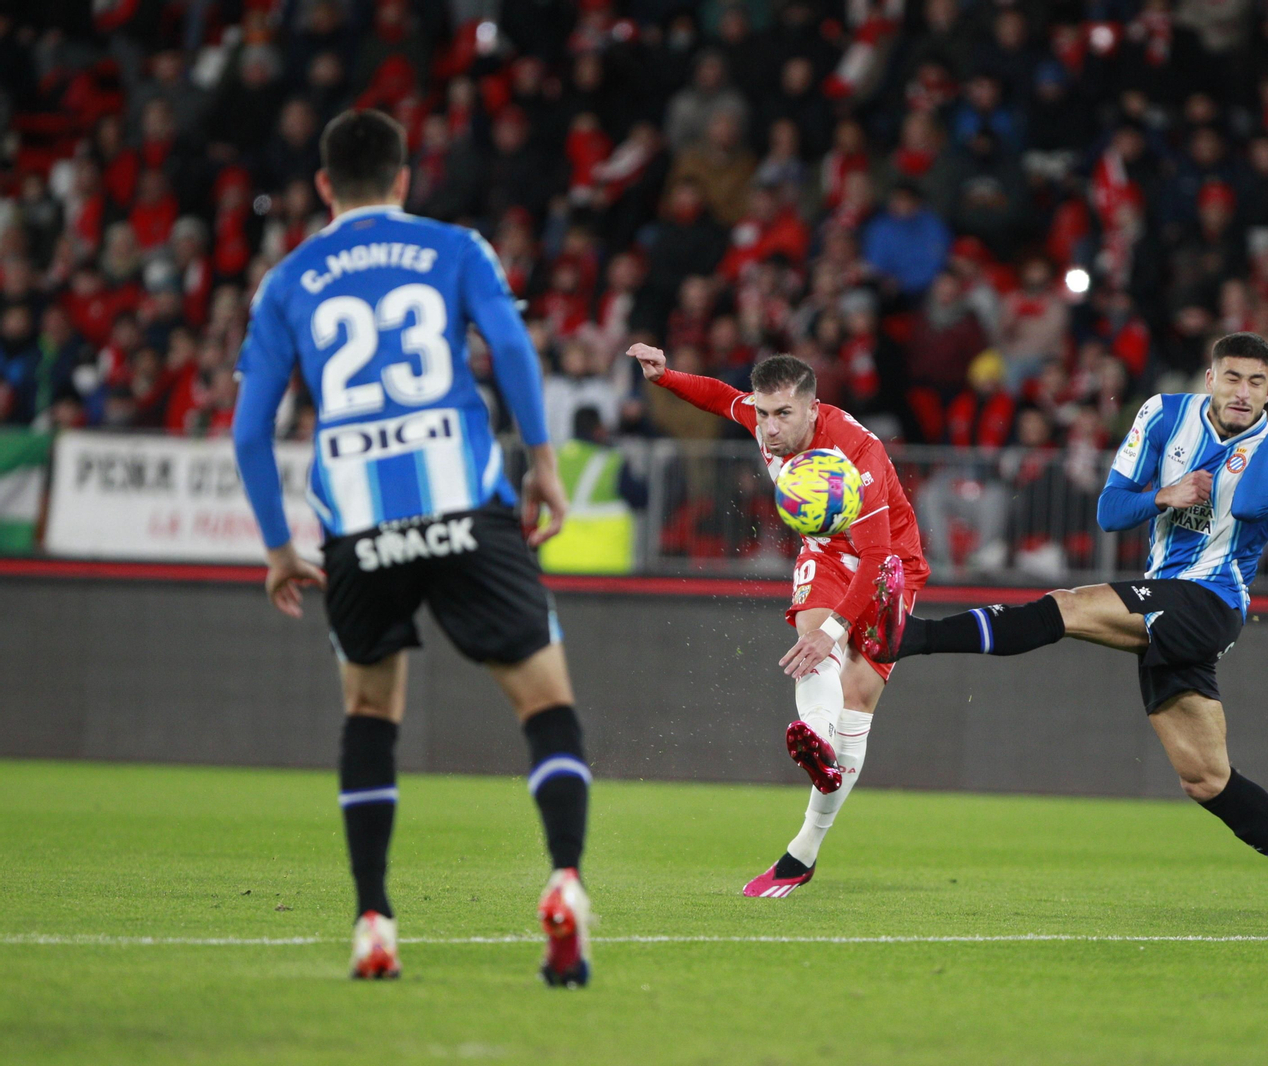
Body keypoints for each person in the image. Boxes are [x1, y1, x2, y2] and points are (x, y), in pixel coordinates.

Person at [231, 111, 593, 985]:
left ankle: (373, 921)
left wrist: (280, 549)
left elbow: (249, 433)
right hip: (468, 508)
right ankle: (567, 879)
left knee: (368, 717)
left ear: (324, 186)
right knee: (545, 704)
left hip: (357, 527)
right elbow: (509, 345)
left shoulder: (285, 281)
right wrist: (542, 464)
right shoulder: (456, 248)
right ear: (402, 178)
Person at [864, 332, 1268, 936]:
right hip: (1164, 596)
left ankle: (907, 637)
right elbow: (1110, 511)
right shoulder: (1164, 415)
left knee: (1069, 606)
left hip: (1213, 601)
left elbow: (1248, 509)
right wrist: (1165, 494)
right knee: (1207, 780)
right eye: (1233, 378)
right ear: (1209, 378)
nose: (1244, 393)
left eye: (1259, 384)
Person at [628, 342, 930, 898]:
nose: (769, 427)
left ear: (813, 410)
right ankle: (815, 739)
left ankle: (804, 850)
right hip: (824, 550)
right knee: (812, 641)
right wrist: (666, 375)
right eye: (764, 414)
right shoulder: (764, 420)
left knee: (857, 697)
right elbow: (722, 399)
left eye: (783, 414)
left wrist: (836, 632)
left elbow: (873, 555)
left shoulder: (856, 453)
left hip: (887, 561)